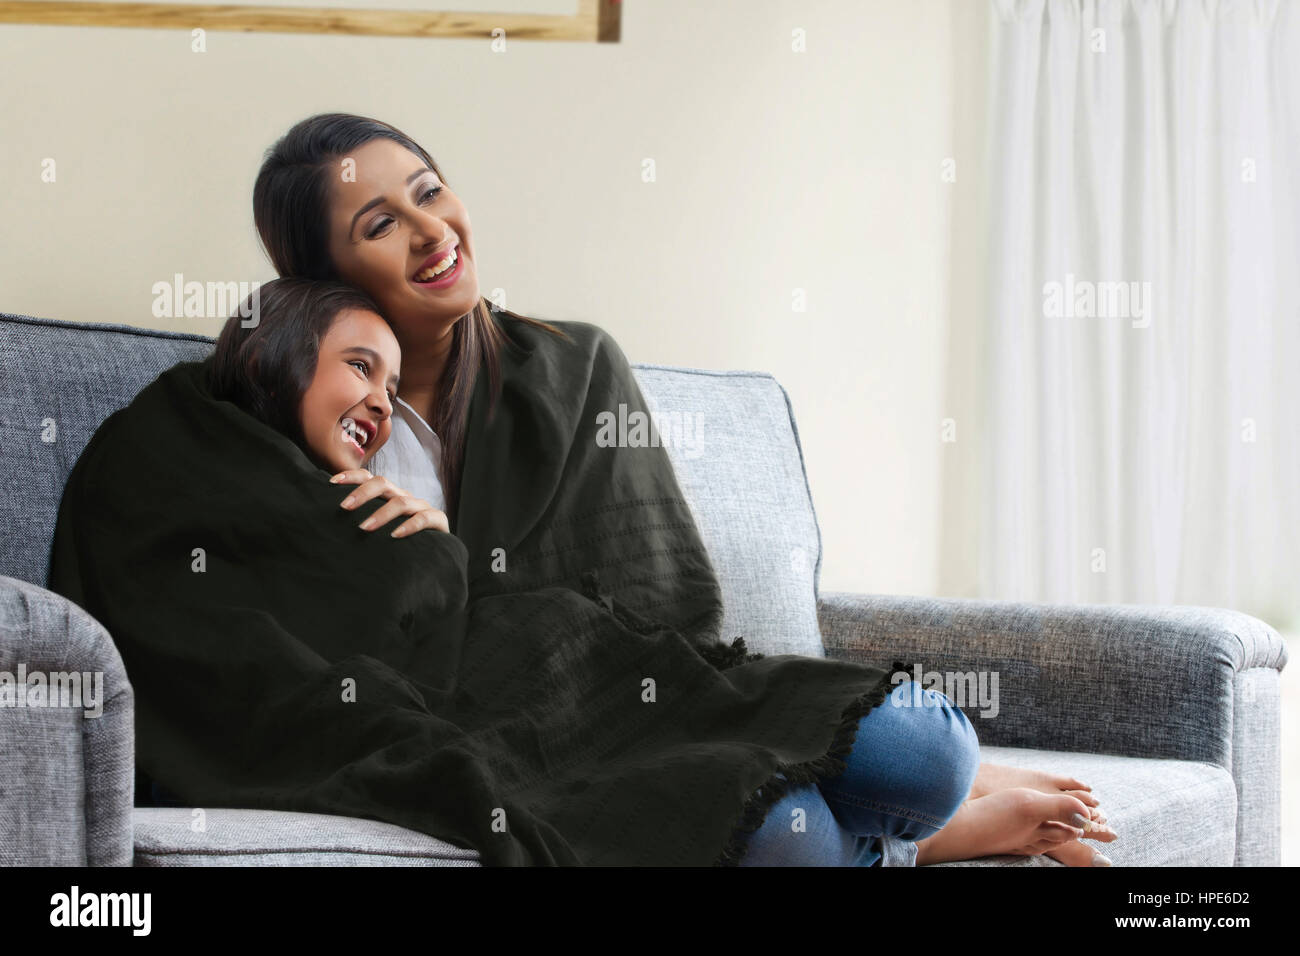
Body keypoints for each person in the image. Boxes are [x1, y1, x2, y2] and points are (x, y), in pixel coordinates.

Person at [223, 112, 1118, 866]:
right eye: (379, 224)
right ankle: (915, 845)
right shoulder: (300, 412)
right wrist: (427, 566)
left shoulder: (574, 367)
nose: (432, 231)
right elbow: (326, 649)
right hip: (499, 746)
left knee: (929, 750)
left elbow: (661, 613)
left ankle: (934, 803)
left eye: (428, 190)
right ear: (321, 278)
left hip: (640, 697)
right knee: (789, 844)